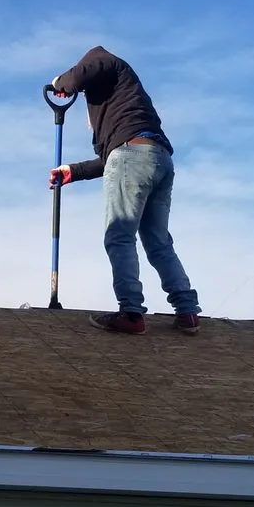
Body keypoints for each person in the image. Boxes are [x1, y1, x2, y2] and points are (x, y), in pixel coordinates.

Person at [49, 45, 200, 335]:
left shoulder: (103, 60)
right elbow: (111, 159)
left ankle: (131, 312)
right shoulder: (127, 102)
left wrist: (59, 83)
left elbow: (76, 78)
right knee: (158, 241)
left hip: (133, 156)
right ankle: (187, 311)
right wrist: (74, 172)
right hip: (160, 160)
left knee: (119, 235)